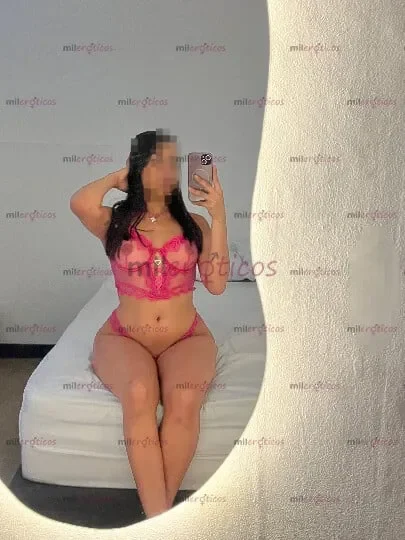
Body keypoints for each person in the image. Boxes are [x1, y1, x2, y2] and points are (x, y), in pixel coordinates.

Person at [69, 129, 229, 518]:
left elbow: (217, 284)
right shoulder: (114, 221)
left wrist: (219, 215)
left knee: (185, 399)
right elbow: (79, 202)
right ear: (137, 166)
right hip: (125, 337)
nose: (167, 169)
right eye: (156, 160)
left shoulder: (194, 224)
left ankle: (156, 519)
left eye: (173, 161)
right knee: (139, 392)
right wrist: (115, 178)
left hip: (185, 338)